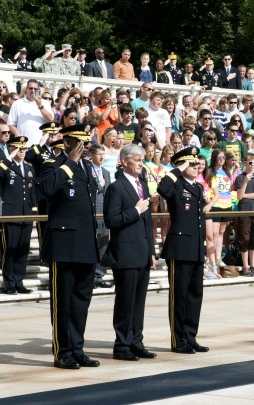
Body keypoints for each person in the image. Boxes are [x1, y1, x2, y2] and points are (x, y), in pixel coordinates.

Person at [40, 124, 101, 370]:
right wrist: (70, 164)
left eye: (86, 143)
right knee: (63, 302)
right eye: (80, 143)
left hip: (86, 243)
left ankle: (77, 349)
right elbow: (45, 190)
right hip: (64, 244)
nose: (84, 147)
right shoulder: (52, 165)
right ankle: (62, 351)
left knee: (80, 302)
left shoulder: (88, 168)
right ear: (67, 142)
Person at [102, 145, 156, 360]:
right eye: (136, 159)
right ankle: (122, 345)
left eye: (142, 159)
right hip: (125, 251)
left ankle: (136, 341)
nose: (141, 163)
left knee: (139, 301)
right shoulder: (116, 187)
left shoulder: (142, 185)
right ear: (124, 161)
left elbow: (148, 223)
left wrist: (151, 250)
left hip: (142, 251)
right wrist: (135, 210)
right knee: (125, 301)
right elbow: (112, 219)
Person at [157, 147, 209, 354]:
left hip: (196, 248)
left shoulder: (196, 187)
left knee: (195, 295)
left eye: (197, 164)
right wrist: (177, 169)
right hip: (179, 248)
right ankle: (179, 340)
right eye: (191, 164)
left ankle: (190, 336)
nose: (196, 167)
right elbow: (162, 188)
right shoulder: (176, 185)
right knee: (179, 296)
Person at [0, 136, 37, 294]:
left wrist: (34, 213)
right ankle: (9, 283)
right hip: (11, 214)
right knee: (10, 248)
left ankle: (19, 281)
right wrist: (8, 157)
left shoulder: (29, 168)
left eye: (24, 149)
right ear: (11, 149)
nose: (22, 152)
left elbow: (31, 192)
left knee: (22, 249)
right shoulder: (6, 166)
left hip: (26, 214)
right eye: (18, 148)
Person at [234, 153, 254, 276]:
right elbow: (238, 196)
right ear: (245, 163)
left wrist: (245, 196)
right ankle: (245, 266)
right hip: (244, 211)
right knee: (244, 238)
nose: (252, 165)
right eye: (250, 163)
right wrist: (246, 182)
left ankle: (252, 265)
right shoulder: (240, 178)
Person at [88, 144, 112, 289]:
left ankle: (99, 275)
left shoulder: (106, 172)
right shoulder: (87, 170)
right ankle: (90, 276)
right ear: (92, 155)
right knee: (93, 245)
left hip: (104, 213)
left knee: (103, 244)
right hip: (93, 212)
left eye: (104, 154)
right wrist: (100, 185)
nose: (102, 157)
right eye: (99, 154)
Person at [7, 79, 54, 144]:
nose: (33, 91)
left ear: (38, 90)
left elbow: (50, 119)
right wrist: (17, 133)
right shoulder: (17, 103)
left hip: (41, 144)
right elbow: (11, 123)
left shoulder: (45, 103)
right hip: (23, 144)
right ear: (26, 89)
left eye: (35, 89)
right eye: (30, 88)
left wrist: (40, 106)